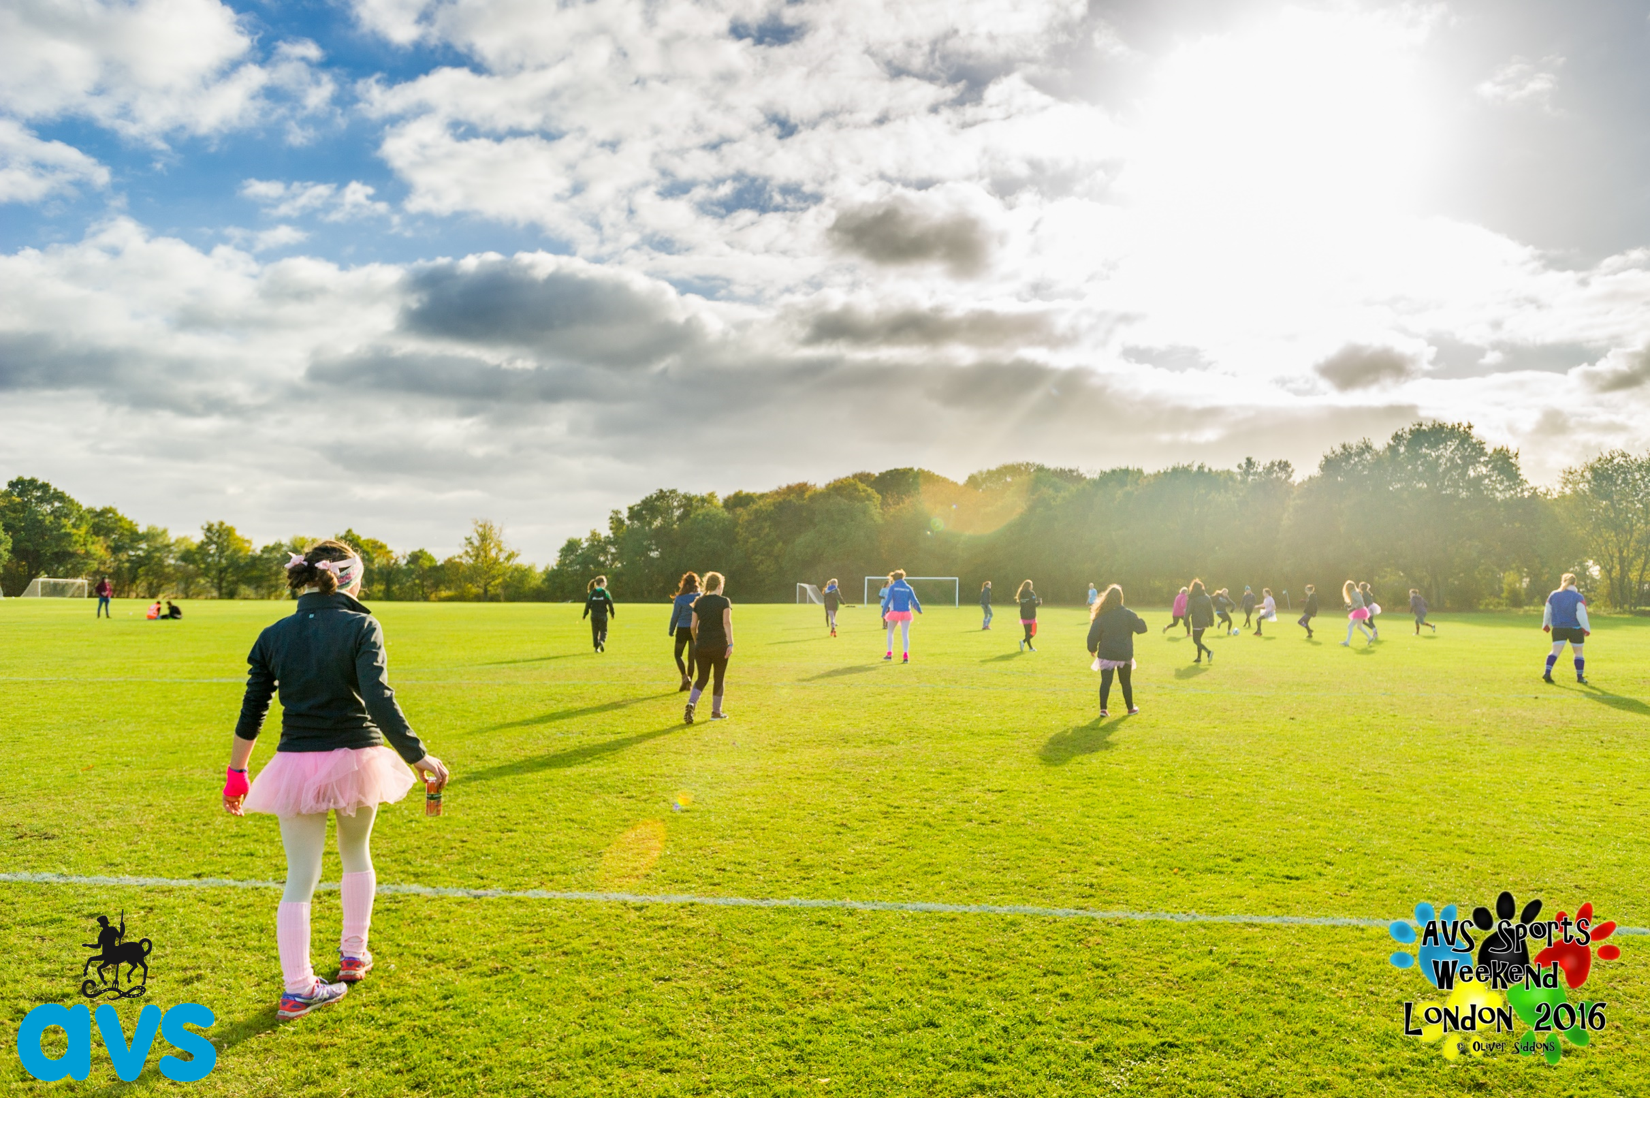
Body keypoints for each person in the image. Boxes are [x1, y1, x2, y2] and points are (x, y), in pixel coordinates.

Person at [224, 539, 449, 1022]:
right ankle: (353, 953)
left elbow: (253, 709)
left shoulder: (274, 633)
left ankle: (297, 987)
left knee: (300, 877)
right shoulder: (362, 624)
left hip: (295, 763)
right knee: (356, 853)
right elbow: (379, 697)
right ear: (348, 577)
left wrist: (236, 773)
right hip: (356, 758)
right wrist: (417, 756)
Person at [1086, 584, 1147, 717]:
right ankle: (1130, 708)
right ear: (1121, 598)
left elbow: (1093, 634)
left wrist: (1092, 648)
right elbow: (1142, 629)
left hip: (1107, 653)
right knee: (1126, 682)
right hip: (1123, 653)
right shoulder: (1128, 614)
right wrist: (1138, 618)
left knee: (1105, 682)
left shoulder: (1102, 615)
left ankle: (1103, 709)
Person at [686, 571, 733, 721]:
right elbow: (726, 623)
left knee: (702, 678)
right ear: (720, 586)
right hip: (719, 645)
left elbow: (693, 626)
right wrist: (730, 643)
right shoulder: (724, 601)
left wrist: (696, 640)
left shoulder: (699, 602)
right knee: (718, 678)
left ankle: (691, 703)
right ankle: (716, 712)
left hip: (702, 645)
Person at [1542, 572, 1590, 684]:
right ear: (1575, 583)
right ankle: (1580, 677)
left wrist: (1546, 624)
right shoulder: (1578, 597)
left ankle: (1547, 673)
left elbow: (1547, 611)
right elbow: (1581, 614)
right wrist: (1586, 628)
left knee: (1555, 651)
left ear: (1562, 582)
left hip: (1558, 628)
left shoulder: (1553, 595)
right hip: (1575, 628)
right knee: (1578, 652)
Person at [667, 572, 700, 691]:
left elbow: (675, 616)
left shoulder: (679, 598)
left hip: (682, 629)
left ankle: (684, 677)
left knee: (677, 654)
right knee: (692, 658)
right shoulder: (699, 597)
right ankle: (689, 683)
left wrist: (671, 630)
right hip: (694, 628)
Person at [882, 570, 923, 662]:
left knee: (890, 632)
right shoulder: (908, 588)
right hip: (906, 612)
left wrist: (883, 612)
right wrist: (919, 610)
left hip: (894, 612)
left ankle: (889, 653)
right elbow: (915, 601)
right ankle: (905, 655)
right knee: (905, 634)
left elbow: (888, 600)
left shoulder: (892, 587)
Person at [583, 576, 616, 652]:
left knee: (595, 631)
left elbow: (588, 604)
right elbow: (610, 604)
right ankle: (601, 641)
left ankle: (596, 648)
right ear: (602, 583)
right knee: (603, 630)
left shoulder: (592, 593)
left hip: (594, 615)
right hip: (602, 615)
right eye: (605, 582)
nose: (606, 583)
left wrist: (585, 614)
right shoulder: (605, 592)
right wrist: (612, 614)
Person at [1187, 579, 1215, 663]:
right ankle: (1199, 658)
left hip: (1196, 622)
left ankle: (1208, 652)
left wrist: (1185, 620)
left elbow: (1189, 610)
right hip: (1205, 622)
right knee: (1199, 640)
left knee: (1196, 640)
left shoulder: (1193, 598)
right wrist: (1211, 620)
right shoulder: (1207, 597)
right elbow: (1210, 610)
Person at [1341, 580, 1374, 646]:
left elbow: (1361, 603)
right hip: (1360, 610)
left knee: (1350, 626)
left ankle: (1347, 642)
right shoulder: (1354, 593)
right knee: (1359, 626)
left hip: (1360, 611)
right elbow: (1356, 602)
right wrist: (1350, 606)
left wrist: (1353, 608)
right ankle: (1370, 638)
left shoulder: (1354, 593)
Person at [1016, 579, 1043, 652]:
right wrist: (1039, 603)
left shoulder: (1021, 593)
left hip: (1023, 615)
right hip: (1031, 615)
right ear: (1030, 586)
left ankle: (1030, 648)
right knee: (1033, 632)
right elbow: (1032, 604)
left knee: (1027, 632)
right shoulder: (1031, 593)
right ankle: (1023, 641)